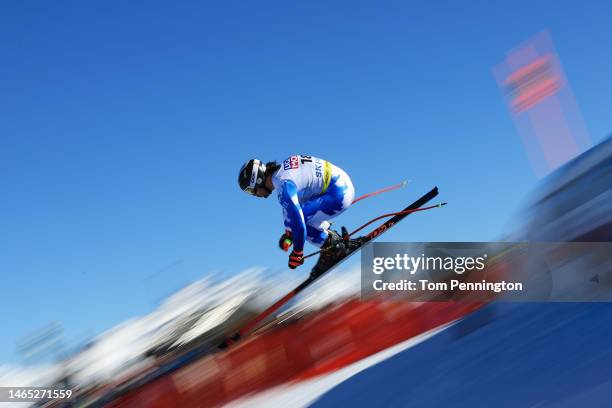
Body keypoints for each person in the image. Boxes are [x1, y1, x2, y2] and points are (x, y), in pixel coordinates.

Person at [238, 155, 365, 274]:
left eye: (251, 191)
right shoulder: (282, 174)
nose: (255, 195)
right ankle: (332, 243)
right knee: (295, 218)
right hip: (340, 185)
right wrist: (289, 234)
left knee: (299, 222)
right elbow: (290, 211)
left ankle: (336, 249)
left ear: (258, 180)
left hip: (339, 194)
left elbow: (298, 223)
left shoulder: (284, 185)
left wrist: (297, 252)